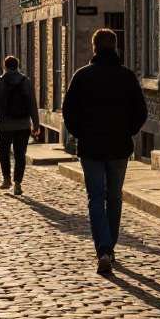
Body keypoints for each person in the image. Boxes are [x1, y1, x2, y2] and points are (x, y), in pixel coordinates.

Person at [62, 29, 147, 274]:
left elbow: (69, 112)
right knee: (115, 197)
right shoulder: (127, 77)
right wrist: (128, 131)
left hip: (91, 147)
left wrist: (80, 134)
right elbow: (140, 111)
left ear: (94, 48)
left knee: (96, 198)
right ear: (115, 47)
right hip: (119, 146)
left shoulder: (82, 76)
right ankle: (110, 246)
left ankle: (104, 249)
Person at [0, 55, 40, 197]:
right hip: (23, 125)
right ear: (18, 66)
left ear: (4, 66)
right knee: (20, 154)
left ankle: (6, 179)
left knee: (4, 152)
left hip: (4, 125)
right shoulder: (26, 81)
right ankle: (18, 184)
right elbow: (32, 104)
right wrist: (36, 123)